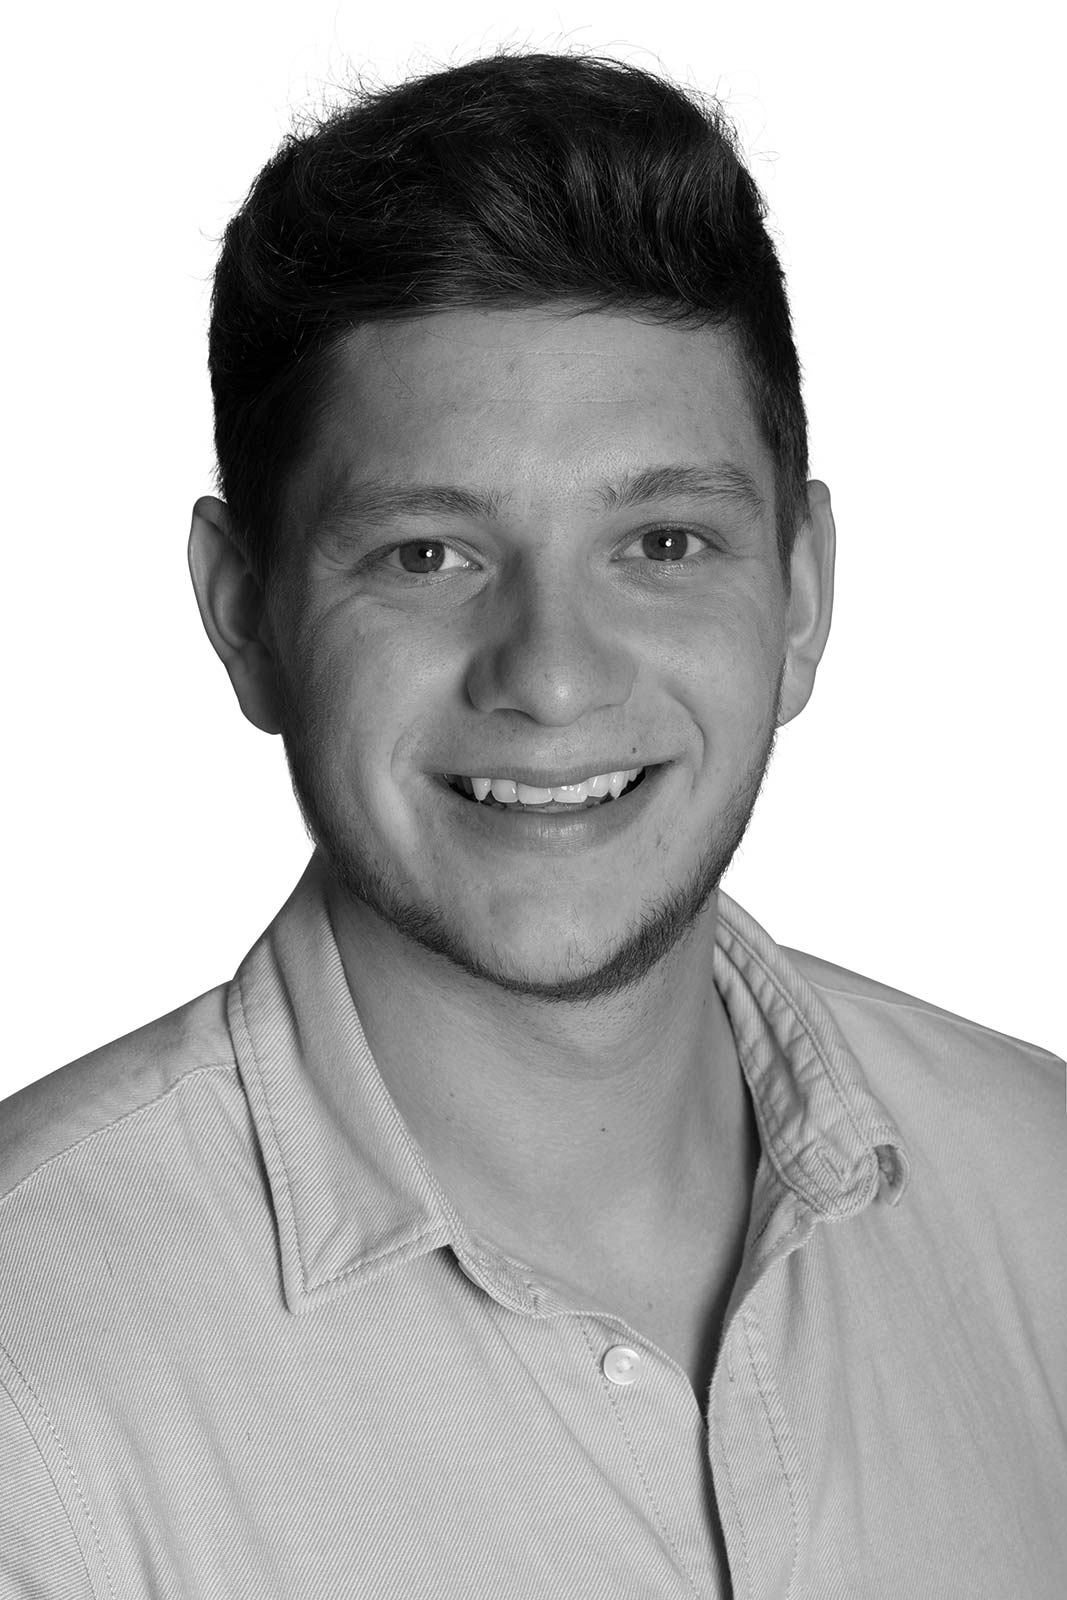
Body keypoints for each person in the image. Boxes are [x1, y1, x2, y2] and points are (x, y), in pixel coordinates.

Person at [1, 49, 1062, 1600]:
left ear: (802, 593)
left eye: (664, 542)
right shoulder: (31, 1365)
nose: (552, 678)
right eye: (427, 555)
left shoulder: (1043, 1190)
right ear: (244, 617)